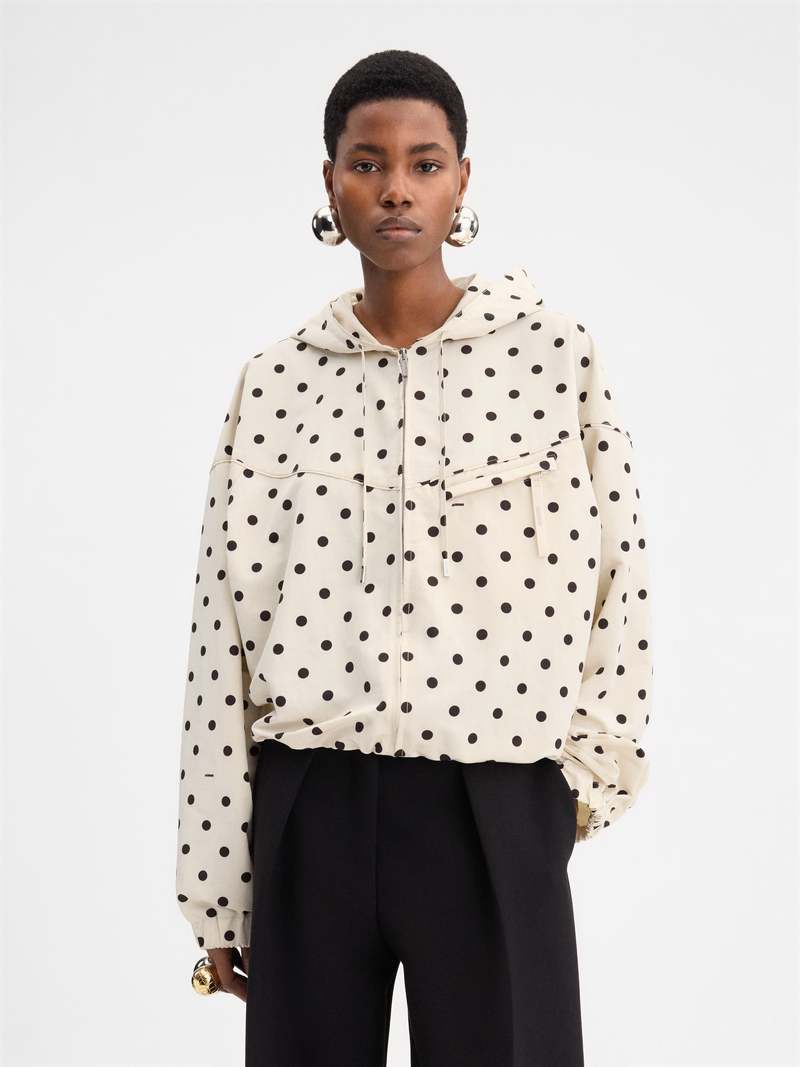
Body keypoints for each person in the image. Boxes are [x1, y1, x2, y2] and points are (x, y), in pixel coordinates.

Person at [175, 48, 654, 1067]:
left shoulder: (552, 356)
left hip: (492, 800)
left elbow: (623, 577)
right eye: (367, 163)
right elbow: (222, 633)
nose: (395, 188)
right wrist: (217, 884)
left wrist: (574, 787)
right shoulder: (274, 384)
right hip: (310, 804)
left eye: (424, 164)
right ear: (330, 183)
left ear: (461, 180)